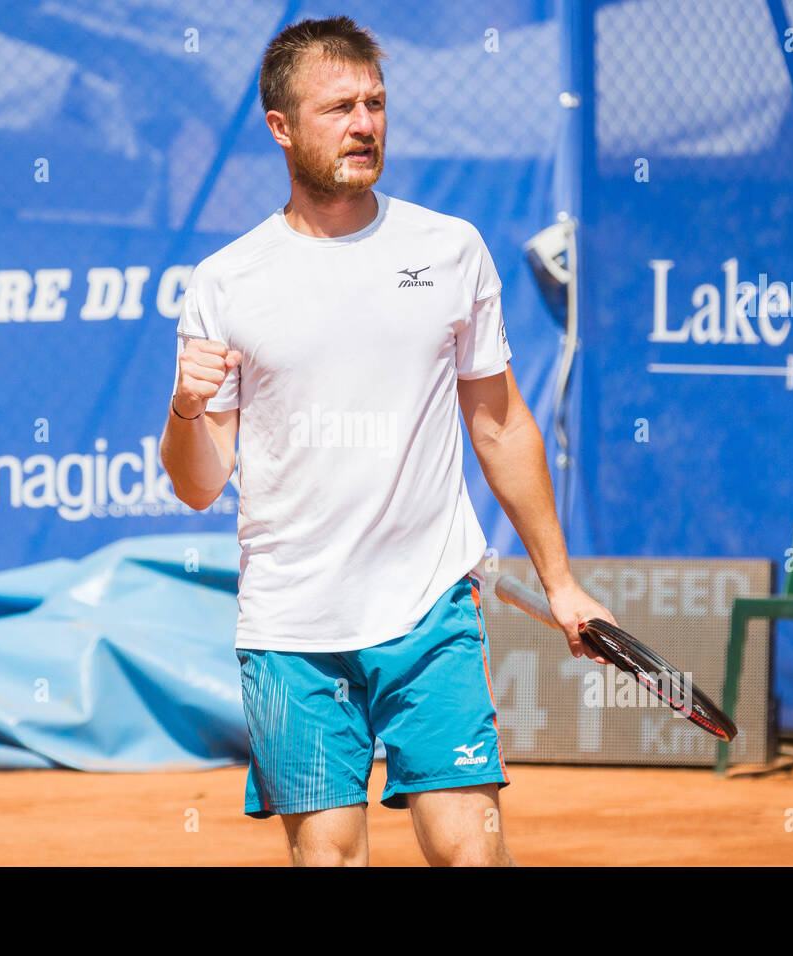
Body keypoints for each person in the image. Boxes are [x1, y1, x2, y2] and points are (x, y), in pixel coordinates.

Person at [160, 15, 614, 867]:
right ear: (281, 127)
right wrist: (185, 411)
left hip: (428, 609)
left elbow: (502, 422)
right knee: (330, 860)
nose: (364, 123)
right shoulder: (227, 281)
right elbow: (196, 483)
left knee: (469, 856)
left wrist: (561, 583)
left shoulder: (450, 250)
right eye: (338, 107)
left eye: (374, 103)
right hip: (291, 629)